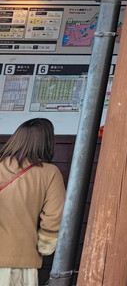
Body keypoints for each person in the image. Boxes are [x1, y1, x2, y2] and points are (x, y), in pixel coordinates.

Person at [0, 118, 66, 286]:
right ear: (47, 142)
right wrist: (45, 245)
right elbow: (54, 216)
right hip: (19, 259)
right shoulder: (50, 173)